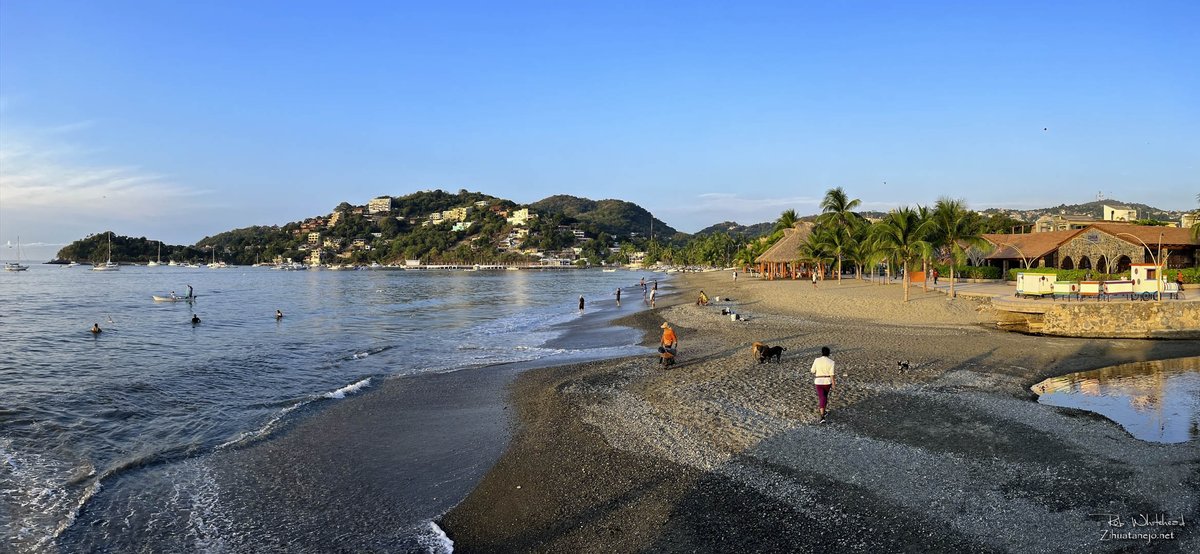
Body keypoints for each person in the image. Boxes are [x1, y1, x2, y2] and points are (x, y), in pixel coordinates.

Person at [810, 346, 836, 422]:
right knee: (824, 397)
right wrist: (833, 383)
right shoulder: (831, 362)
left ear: (822, 352)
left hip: (818, 381)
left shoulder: (817, 360)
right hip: (827, 382)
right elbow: (832, 374)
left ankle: (822, 415)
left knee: (822, 397)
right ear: (829, 353)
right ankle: (823, 413)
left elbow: (812, 371)